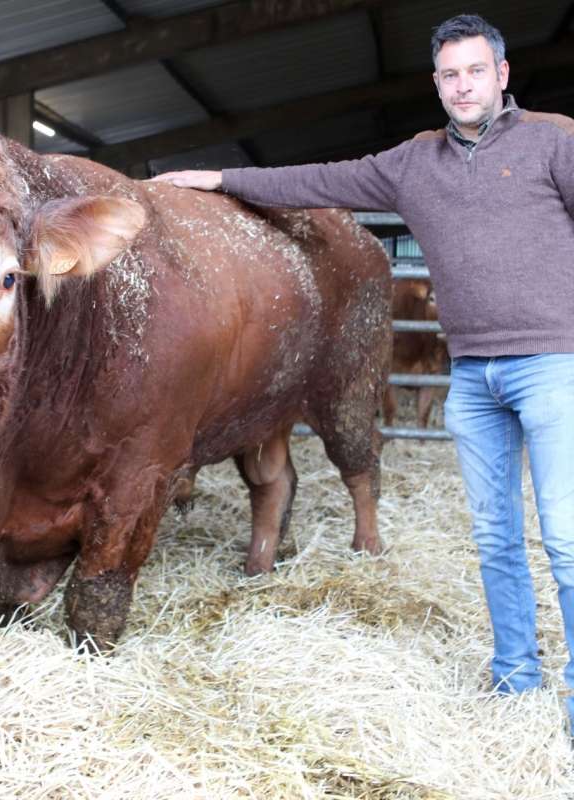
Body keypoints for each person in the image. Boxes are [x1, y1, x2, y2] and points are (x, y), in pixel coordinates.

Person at [152, 13, 574, 730]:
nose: (463, 86)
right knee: (496, 537)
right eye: (450, 75)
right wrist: (218, 178)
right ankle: (515, 676)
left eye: (476, 71)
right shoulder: (414, 164)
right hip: (473, 376)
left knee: (564, 536)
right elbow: (315, 179)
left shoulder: (553, 142)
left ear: (502, 74)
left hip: (553, 365)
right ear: (436, 84)